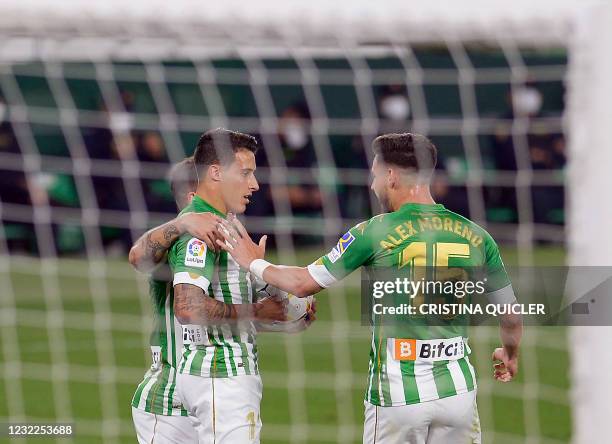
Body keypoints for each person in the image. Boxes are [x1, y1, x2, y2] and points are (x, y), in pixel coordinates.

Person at [216, 133, 523, 443]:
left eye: (375, 174)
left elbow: (302, 283)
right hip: (459, 394)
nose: (373, 185)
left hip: (396, 396)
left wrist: (253, 263)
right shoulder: (477, 235)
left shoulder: (374, 231)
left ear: (391, 175)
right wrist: (509, 354)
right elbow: (510, 314)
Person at [166, 128, 303, 443]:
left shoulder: (224, 225)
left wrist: (266, 281)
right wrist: (258, 310)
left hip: (216, 375)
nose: (254, 184)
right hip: (221, 378)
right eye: (245, 173)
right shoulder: (202, 231)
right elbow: (188, 307)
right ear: (215, 172)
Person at [130, 157, 223, 443]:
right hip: (169, 402)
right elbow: (138, 256)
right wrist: (183, 223)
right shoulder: (178, 242)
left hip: (210, 395)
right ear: (194, 197)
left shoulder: (222, 238)